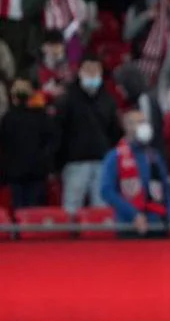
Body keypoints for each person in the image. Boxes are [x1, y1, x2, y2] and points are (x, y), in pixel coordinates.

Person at [56, 55, 122, 214]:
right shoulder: (67, 100)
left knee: (101, 209)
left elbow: (114, 131)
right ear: (80, 72)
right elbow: (59, 131)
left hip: (102, 161)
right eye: (88, 70)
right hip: (74, 162)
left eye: (95, 71)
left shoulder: (108, 101)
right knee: (71, 207)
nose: (92, 74)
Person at [99, 110, 170, 236]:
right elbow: (106, 191)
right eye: (139, 123)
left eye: (145, 122)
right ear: (127, 126)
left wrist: (169, 217)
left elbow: (165, 188)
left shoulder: (154, 156)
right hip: (128, 225)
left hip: (157, 223)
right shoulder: (115, 156)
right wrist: (133, 214)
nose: (144, 126)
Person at [0, 77, 56, 209]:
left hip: (15, 173)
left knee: (18, 209)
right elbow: (51, 143)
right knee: (34, 210)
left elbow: (3, 147)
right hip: (36, 172)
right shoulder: (42, 117)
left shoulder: (8, 118)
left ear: (13, 97)